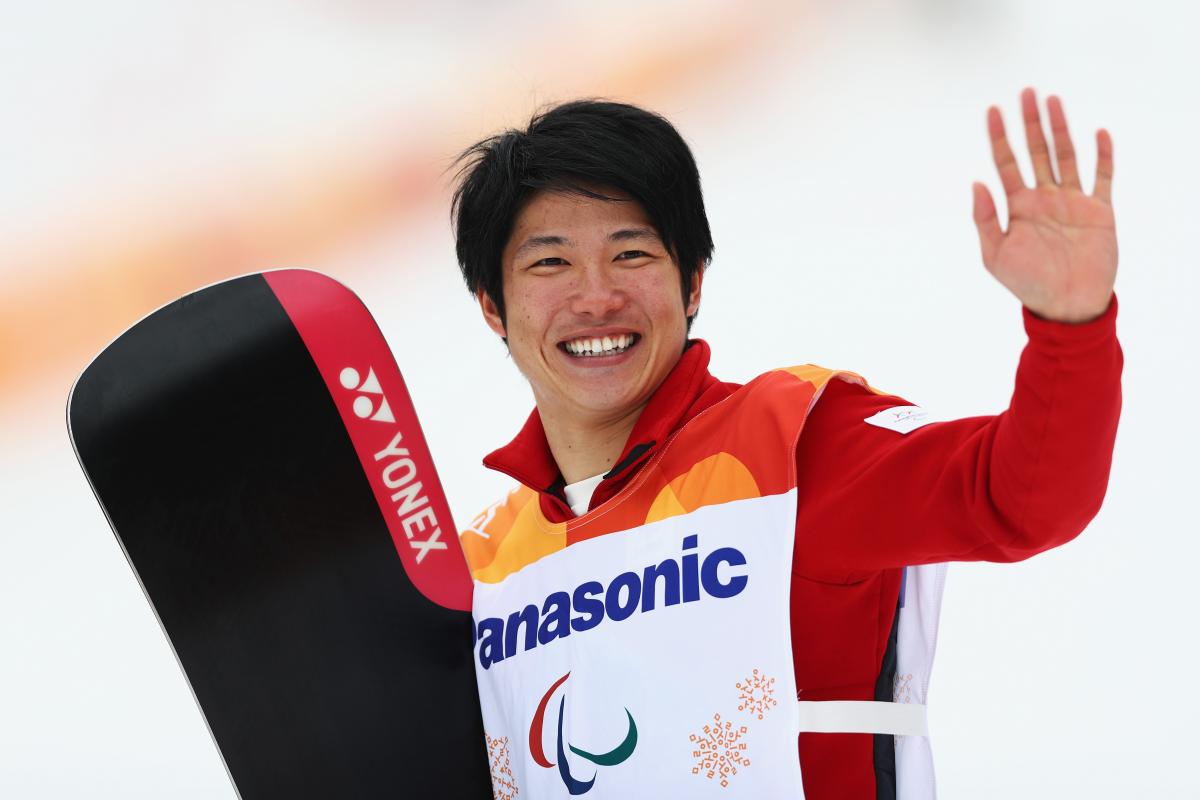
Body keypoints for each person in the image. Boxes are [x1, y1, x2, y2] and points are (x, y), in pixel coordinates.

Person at [448, 91, 1121, 799]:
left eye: (632, 252)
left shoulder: (790, 445)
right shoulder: (483, 571)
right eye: (550, 264)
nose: (596, 297)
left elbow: (1022, 497)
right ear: (493, 304)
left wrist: (1069, 327)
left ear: (693, 281)